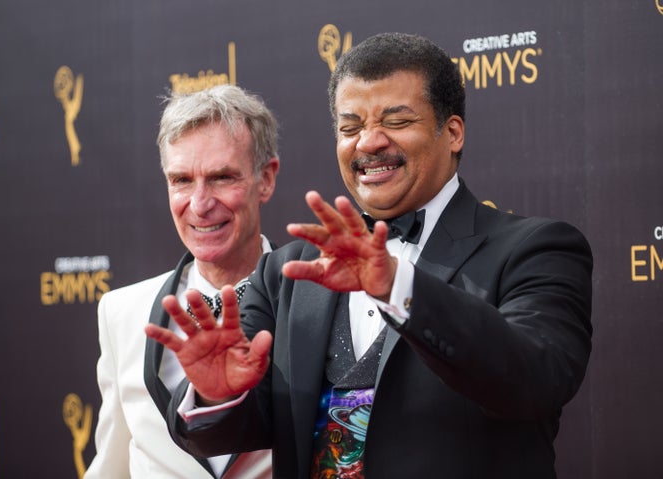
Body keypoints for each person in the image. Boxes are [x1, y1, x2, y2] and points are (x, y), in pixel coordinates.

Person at [146, 33, 593, 478]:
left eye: (396, 121)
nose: (368, 142)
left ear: (452, 132)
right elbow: (244, 427)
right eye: (350, 127)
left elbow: (538, 380)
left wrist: (399, 287)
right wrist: (216, 395)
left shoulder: (536, 250)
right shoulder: (286, 272)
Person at [85, 84, 279, 479]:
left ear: (266, 180)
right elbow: (111, 466)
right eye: (181, 180)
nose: (200, 204)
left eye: (222, 177)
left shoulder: (322, 302)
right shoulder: (122, 313)